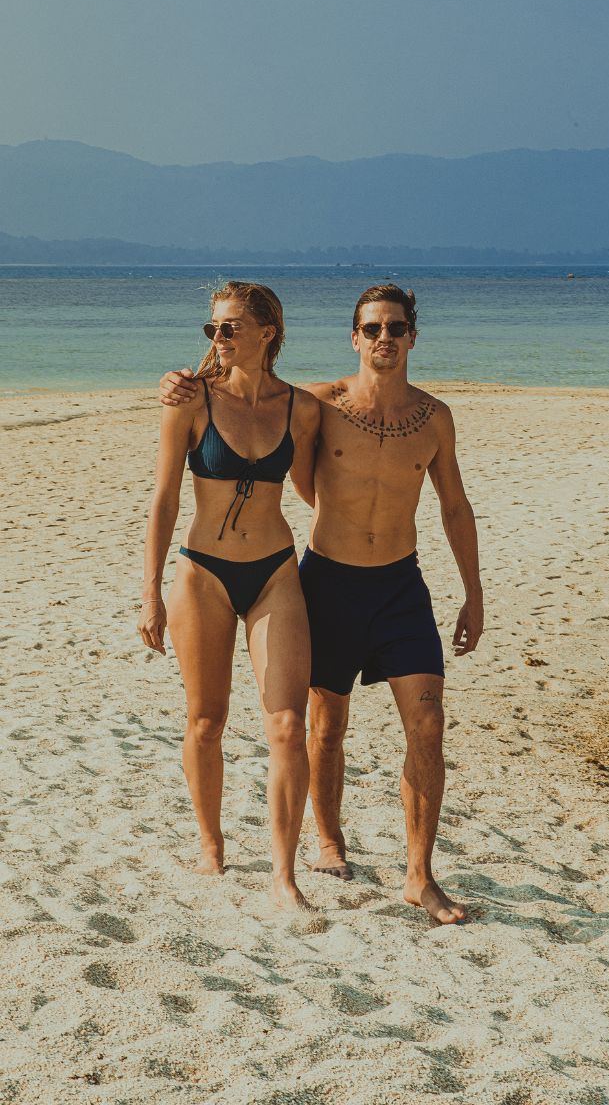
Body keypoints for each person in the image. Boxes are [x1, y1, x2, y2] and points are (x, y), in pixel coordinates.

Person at [160, 284, 483, 925]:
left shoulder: (435, 416)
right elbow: (293, 471)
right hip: (328, 579)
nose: (383, 338)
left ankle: (420, 875)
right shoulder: (322, 406)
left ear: (413, 336)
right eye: (371, 329)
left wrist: (474, 592)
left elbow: (453, 505)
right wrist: (181, 381)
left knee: (427, 723)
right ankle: (328, 840)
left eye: (395, 327)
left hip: (401, 585)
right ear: (354, 338)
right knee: (324, 725)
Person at [139, 280, 320, 912]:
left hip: (275, 572)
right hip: (203, 574)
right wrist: (150, 592)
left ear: (269, 332)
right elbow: (163, 499)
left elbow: (318, 486)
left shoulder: (301, 407)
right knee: (205, 720)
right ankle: (211, 846)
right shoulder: (190, 401)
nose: (218, 337)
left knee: (288, 724)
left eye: (231, 327)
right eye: (212, 327)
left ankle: (284, 874)